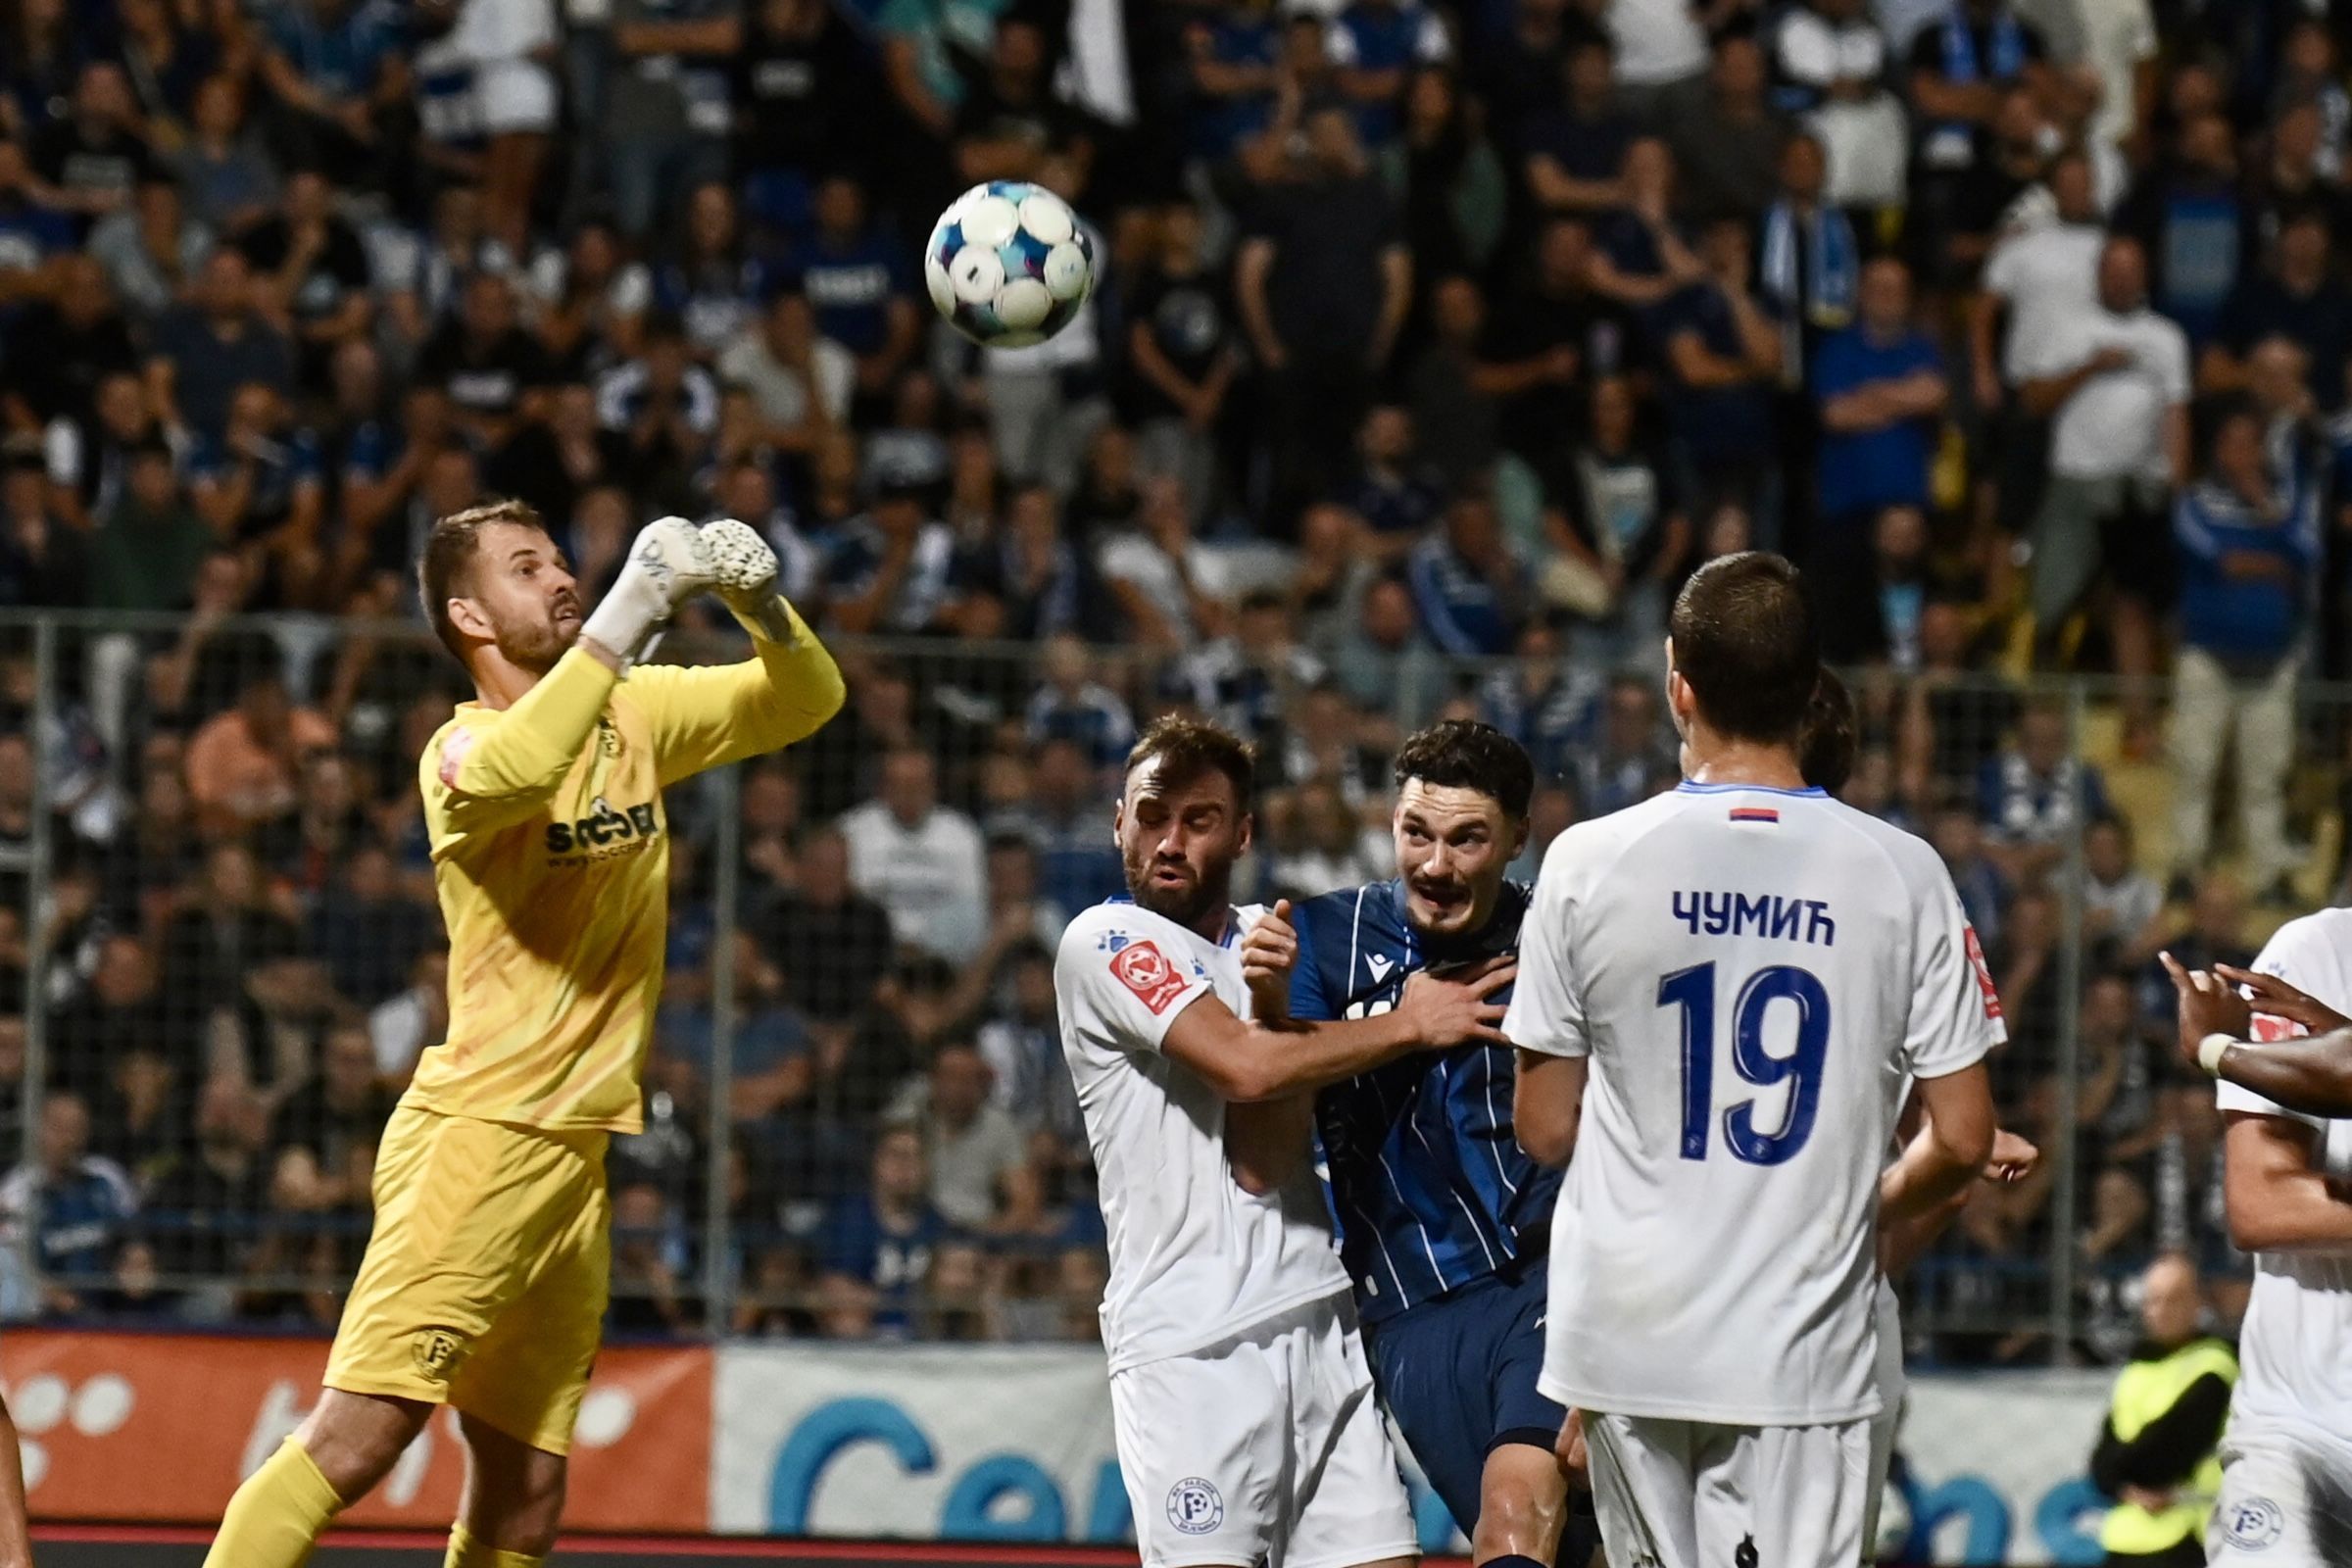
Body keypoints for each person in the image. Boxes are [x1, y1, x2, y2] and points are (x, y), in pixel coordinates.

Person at [203, 498, 846, 1567]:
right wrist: (632, 608)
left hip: (572, 1160)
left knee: (525, 1487)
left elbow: (808, 700)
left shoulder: (632, 711)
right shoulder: (458, 753)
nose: (560, 578)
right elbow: (526, 767)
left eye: (559, 560)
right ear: (469, 616)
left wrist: (763, 607)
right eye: (524, 567)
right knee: (358, 1441)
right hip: (480, 1140)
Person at [1508, 552, 2001, 1568]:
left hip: (1629, 1334)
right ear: (1810, 686)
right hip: (1801, 1343)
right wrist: (1853, 1215)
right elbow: (1963, 1138)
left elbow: (1545, 1127)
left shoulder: (1585, 861)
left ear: (1677, 685)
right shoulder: (1904, 873)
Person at [1056, 715, 1511, 1568]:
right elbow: (1247, 1068)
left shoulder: (1278, 940)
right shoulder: (1104, 941)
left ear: (1243, 833)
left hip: (1322, 1321)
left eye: (1199, 820)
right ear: (1119, 822)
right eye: (1151, 816)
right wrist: (1409, 1025)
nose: (1170, 842)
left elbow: (1265, 1159)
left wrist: (1279, 999)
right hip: (1194, 1346)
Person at [1244, 718, 1601, 1568]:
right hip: (1411, 1307)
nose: (1435, 866)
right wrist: (1379, 1023)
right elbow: (1267, 1139)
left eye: (1467, 839)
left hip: (1551, 1275)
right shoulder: (1322, 938)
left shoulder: (1561, 938)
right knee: (1560, 1548)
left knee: (1515, 1512)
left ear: (1517, 837)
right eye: (1416, 834)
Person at [2159, 931, 2352, 1566]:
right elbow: (2264, 1205)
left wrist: (2216, 1050)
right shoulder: (2319, 954)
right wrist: (2224, 1051)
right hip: (2305, 1431)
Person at [2089, 1252, 2236, 1567]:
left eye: (2174, 1299)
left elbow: (2166, 1454)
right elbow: (2099, 1467)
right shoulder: (2136, 1369)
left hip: (2189, 1535)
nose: (2162, 1310)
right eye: (2153, 1300)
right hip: (2127, 1537)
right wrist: (2121, 1477)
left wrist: (2120, 1475)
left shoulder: (2214, 1365)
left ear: (2197, 1303)